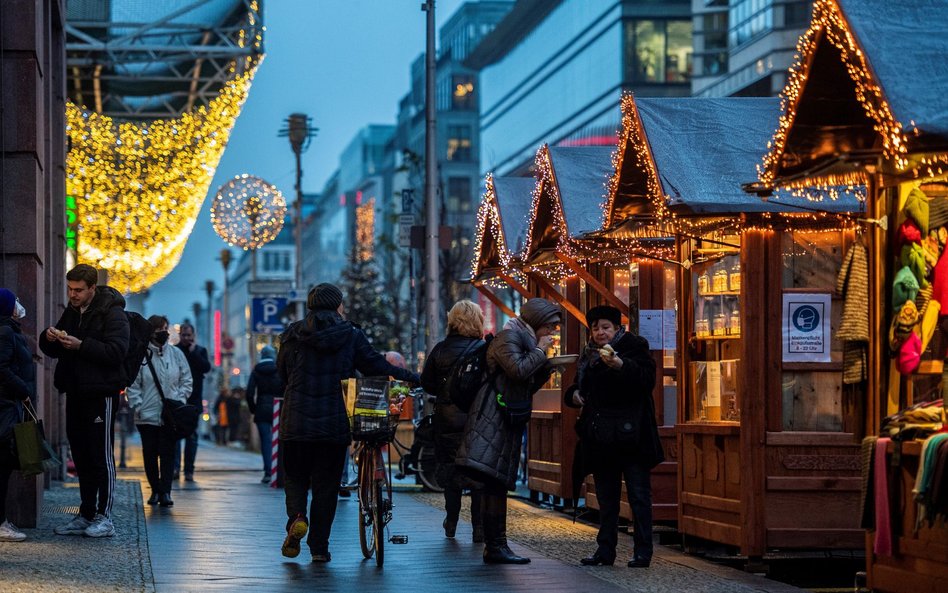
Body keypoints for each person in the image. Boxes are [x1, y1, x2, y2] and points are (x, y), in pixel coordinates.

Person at [277, 282, 419, 563]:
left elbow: (282, 373)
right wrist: (410, 376)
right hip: (333, 426)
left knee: (294, 478)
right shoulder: (350, 334)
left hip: (295, 422)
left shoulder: (292, 335)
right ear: (337, 306)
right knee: (326, 487)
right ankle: (319, 548)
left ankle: (297, 517)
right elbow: (375, 366)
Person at [456, 297, 560, 564]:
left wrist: (546, 366)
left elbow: (524, 384)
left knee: (497, 483)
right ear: (537, 322)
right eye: (550, 327)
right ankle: (495, 546)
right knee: (494, 483)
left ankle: (497, 545)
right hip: (492, 418)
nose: (552, 333)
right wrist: (540, 352)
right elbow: (517, 370)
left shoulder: (520, 338)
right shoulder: (509, 338)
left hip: (504, 418)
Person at [565, 305, 663, 568]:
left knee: (638, 496)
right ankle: (605, 551)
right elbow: (578, 386)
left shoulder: (634, 347)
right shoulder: (589, 355)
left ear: (618, 328)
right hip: (602, 437)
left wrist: (621, 365)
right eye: (595, 328)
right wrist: (574, 395)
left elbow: (646, 379)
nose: (600, 332)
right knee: (606, 498)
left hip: (632, 436)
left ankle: (643, 551)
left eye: (605, 327)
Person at [40, 264, 129, 538]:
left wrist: (81, 345)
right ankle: (87, 513)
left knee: (101, 456)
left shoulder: (113, 314)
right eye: (70, 289)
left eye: (78, 290)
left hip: (101, 394)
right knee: (81, 455)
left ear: (92, 288)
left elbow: (117, 351)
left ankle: (105, 517)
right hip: (76, 391)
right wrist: (49, 337)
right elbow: (52, 351)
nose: (73, 294)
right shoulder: (73, 312)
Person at [420, 300, 486, 543]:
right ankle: (479, 527)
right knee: (478, 471)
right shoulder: (483, 349)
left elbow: (426, 383)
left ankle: (451, 522)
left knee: (451, 472)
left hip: (446, 420)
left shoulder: (440, 349)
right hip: (477, 420)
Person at [126, 315, 192, 507]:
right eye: (158, 329)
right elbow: (133, 384)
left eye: (165, 328)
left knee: (168, 453)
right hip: (146, 415)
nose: (163, 332)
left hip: (170, 415)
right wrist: (138, 406)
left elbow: (186, 380)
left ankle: (166, 492)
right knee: (150, 453)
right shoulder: (142, 355)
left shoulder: (176, 354)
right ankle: (155, 489)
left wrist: (179, 401)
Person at [0, 289, 34, 542]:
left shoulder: (10, 330)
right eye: (16, 301)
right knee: (2, 467)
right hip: (5, 408)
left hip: (9, 407)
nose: (20, 305)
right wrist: (23, 391)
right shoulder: (5, 332)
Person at [174, 322, 210, 482]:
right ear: (180, 335)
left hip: (194, 401)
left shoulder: (200, 350)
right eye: (184, 335)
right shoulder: (174, 351)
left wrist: (194, 352)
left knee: (192, 437)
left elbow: (205, 368)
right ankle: (175, 468)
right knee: (175, 437)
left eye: (189, 335)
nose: (186, 338)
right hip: (177, 400)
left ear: (193, 336)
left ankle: (189, 470)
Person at [246, 345, 283, 483]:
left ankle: (268, 472)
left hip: (262, 408)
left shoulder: (256, 370)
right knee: (280, 441)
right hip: (278, 407)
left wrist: (253, 409)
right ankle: (279, 472)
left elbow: (249, 393)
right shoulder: (279, 369)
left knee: (266, 441)